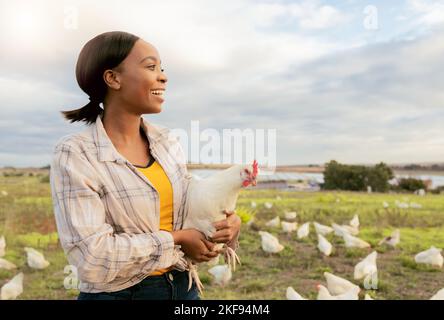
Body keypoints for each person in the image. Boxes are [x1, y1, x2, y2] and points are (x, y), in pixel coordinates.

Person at [49, 31, 241, 300]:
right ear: (113, 78)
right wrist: (177, 239)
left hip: (184, 287)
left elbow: (190, 208)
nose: (163, 76)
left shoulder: (167, 141)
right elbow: (91, 257)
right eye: (151, 67)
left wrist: (228, 225)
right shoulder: (76, 153)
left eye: (161, 68)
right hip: (118, 295)